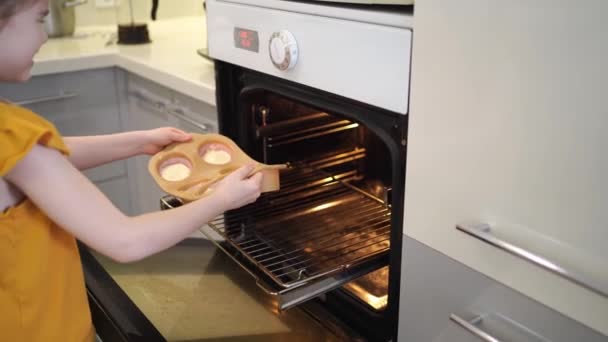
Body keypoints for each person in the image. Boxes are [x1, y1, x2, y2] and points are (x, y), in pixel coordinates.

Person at [0, 0, 263, 340]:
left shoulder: (13, 135)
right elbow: (126, 242)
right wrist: (221, 200)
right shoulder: (14, 134)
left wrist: (139, 142)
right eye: (40, 19)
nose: (43, 37)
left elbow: (41, 159)